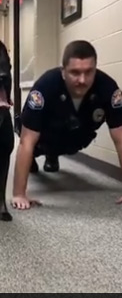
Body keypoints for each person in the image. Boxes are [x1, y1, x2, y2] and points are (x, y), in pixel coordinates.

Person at [12, 40, 122, 209]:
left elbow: (120, 138)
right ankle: (42, 156)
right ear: (63, 72)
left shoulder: (107, 87)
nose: (82, 80)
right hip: (45, 137)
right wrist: (19, 194)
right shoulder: (46, 86)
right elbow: (27, 141)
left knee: (71, 138)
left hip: (77, 137)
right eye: (75, 73)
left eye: (88, 72)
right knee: (29, 138)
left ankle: (53, 154)